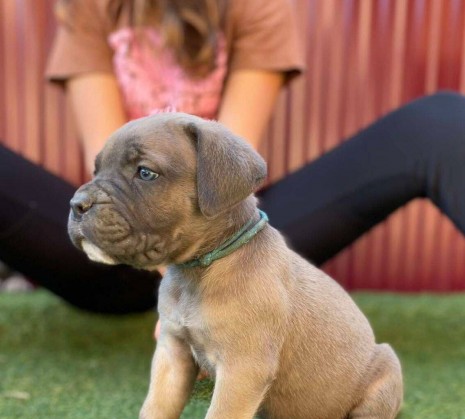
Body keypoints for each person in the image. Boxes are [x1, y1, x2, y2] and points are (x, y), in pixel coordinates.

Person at [1, 0, 465, 316]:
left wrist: (203, 278)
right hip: (120, 245)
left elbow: (227, 169)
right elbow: (107, 164)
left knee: (439, 120)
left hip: (226, 234)